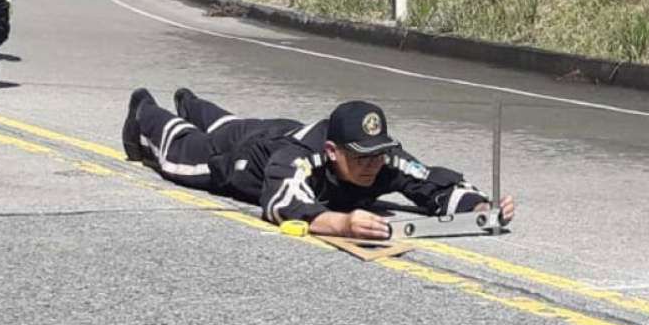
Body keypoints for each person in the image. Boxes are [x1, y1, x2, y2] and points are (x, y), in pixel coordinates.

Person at [122, 88, 516, 240]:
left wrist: (481, 208)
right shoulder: (298, 159)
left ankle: (192, 101)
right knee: (180, 153)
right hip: (245, 157)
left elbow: (430, 184)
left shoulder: (384, 158)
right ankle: (145, 112)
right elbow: (283, 203)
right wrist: (342, 223)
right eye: (360, 156)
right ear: (332, 152)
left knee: (228, 121)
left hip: (270, 127)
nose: (373, 164)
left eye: (377, 152)